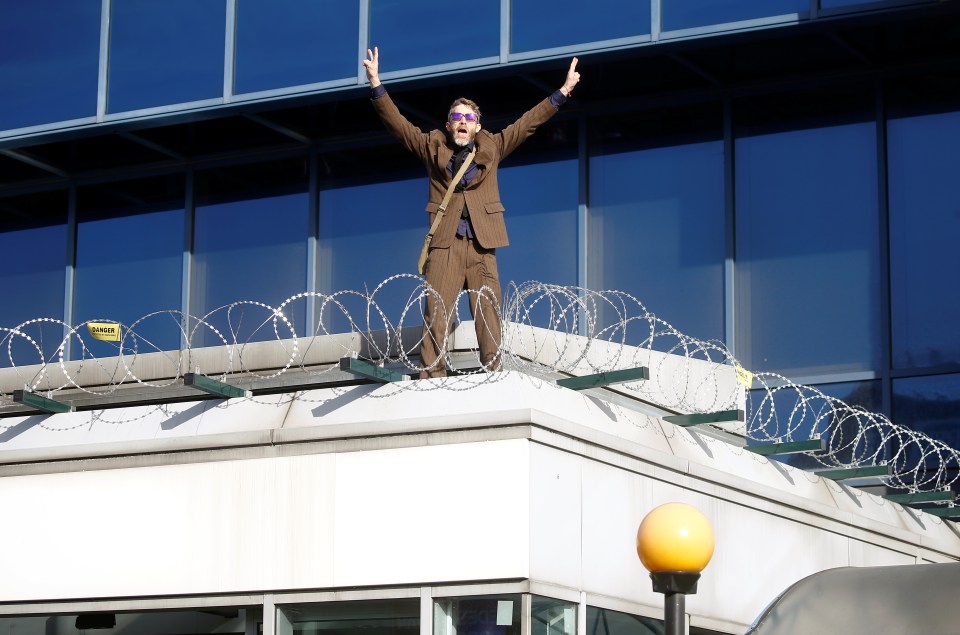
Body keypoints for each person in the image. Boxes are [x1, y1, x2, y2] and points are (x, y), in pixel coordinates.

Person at [363, 47, 581, 379]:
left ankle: (494, 373)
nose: (462, 122)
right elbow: (398, 124)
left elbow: (527, 124)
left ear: (477, 126)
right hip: (445, 245)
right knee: (436, 312)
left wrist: (562, 92)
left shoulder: (493, 147)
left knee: (487, 311)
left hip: (482, 244)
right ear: (448, 125)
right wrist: (376, 84)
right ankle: (432, 377)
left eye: (469, 118)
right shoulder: (431, 146)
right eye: (456, 117)